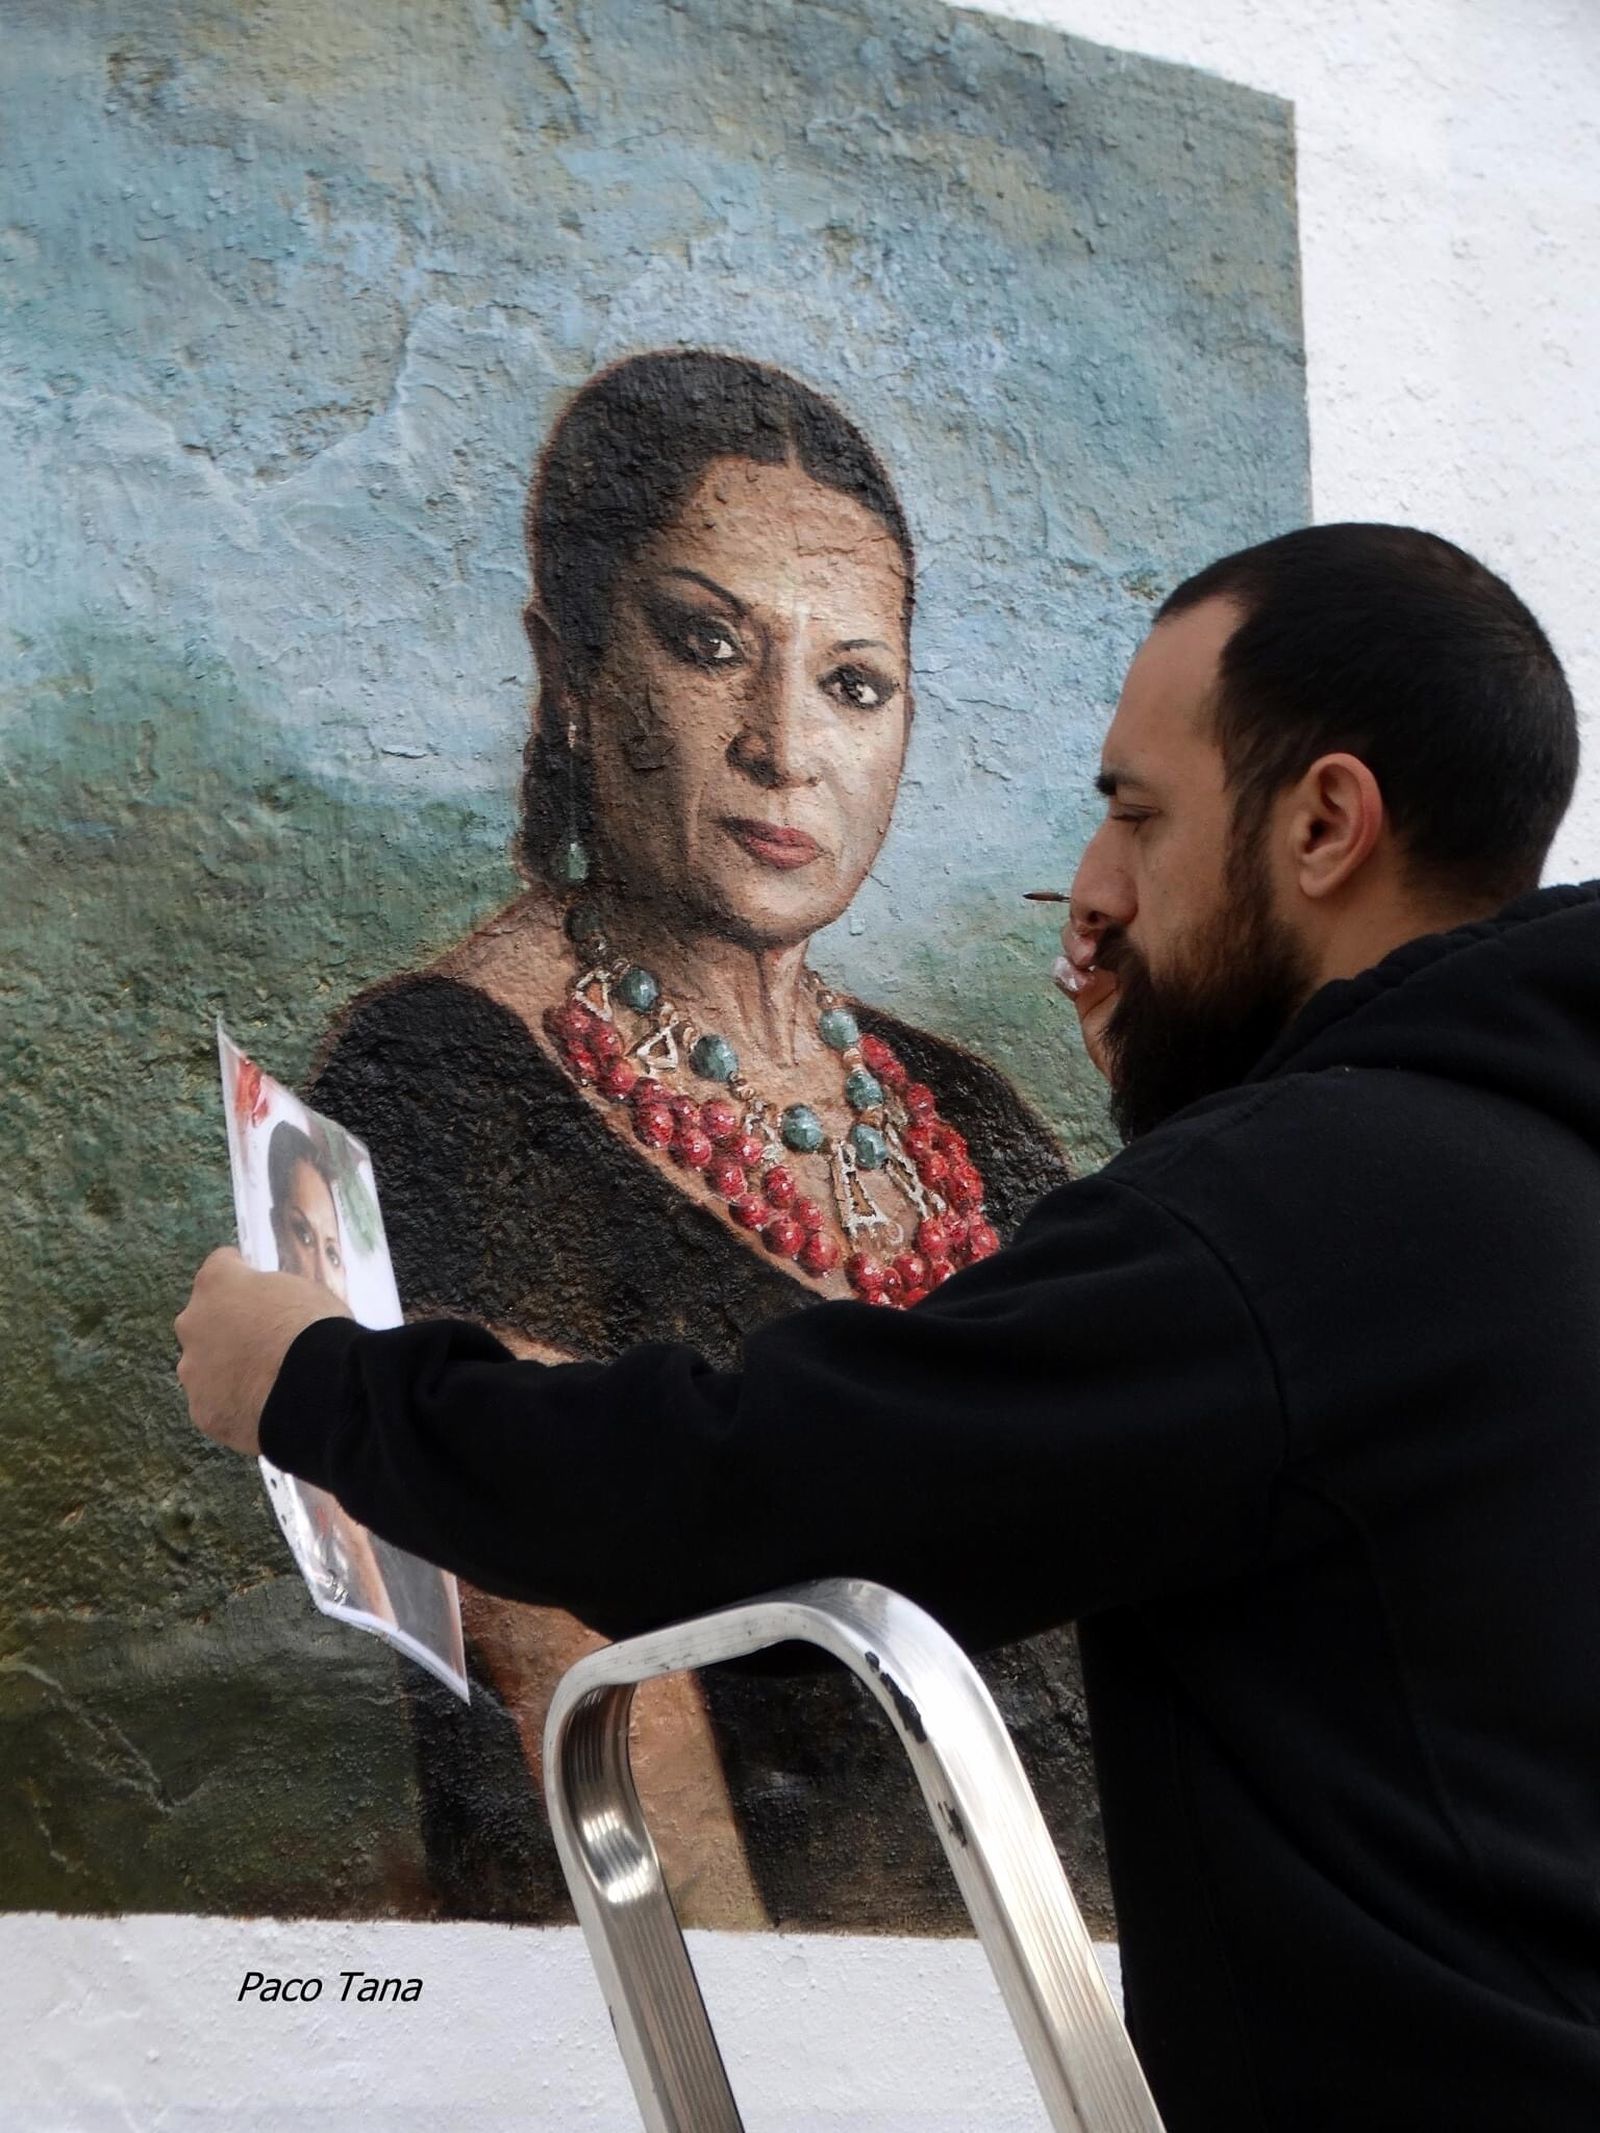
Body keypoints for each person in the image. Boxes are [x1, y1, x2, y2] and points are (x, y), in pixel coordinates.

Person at [178, 520, 1600, 2131]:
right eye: (711, 645)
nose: (1100, 888)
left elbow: (758, 1485)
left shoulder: (1311, 1207)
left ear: (1325, 822)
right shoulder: (1519, 1174)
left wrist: (312, 1377)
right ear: (573, 673)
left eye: (1140, 814)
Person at [298, 349, 1094, 1930]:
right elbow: (554, 1652)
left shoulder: (976, 1116)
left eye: (853, 684)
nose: (785, 743)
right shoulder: (437, 1070)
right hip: (736, 2021)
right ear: (575, 665)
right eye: (711, 644)